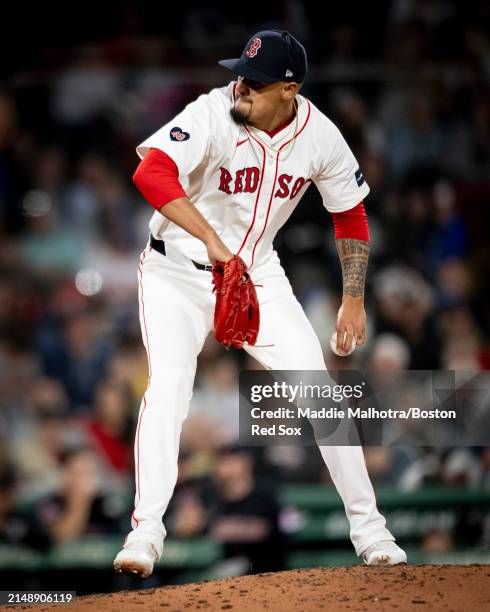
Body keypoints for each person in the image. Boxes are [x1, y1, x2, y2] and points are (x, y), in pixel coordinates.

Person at [114, 30, 407, 578]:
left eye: (256, 81)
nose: (241, 85)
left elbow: (349, 214)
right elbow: (149, 172)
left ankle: (372, 532)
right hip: (174, 271)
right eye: (240, 73)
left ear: (289, 89)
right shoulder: (212, 112)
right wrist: (212, 242)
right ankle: (145, 533)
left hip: (255, 276)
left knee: (319, 390)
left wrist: (352, 298)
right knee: (169, 388)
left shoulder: (320, 136)